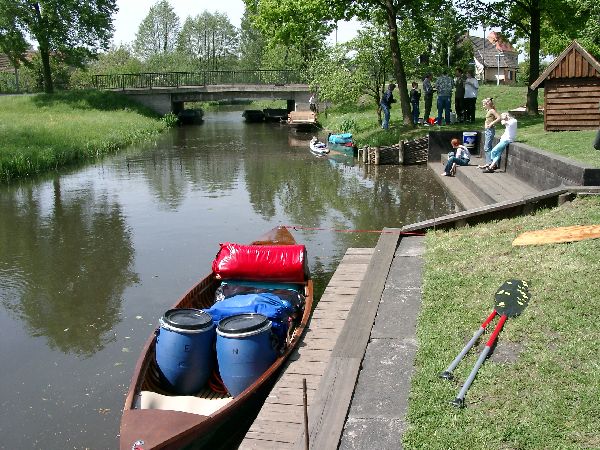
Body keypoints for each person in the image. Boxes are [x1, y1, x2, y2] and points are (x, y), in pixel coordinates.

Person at [479, 98, 502, 167]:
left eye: (484, 105)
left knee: (487, 147)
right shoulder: (488, 110)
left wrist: (491, 123)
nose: (483, 106)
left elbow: (499, 118)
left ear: (487, 104)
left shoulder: (492, 110)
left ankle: (490, 163)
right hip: (487, 130)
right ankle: (489, 162)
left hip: (490, 130)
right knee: (487, 147)